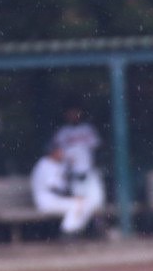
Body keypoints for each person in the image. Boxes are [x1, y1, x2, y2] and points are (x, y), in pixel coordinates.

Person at [31, 138, 102, 239]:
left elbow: (63, 182)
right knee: (77, 205)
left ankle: (72, 231)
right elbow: (55, 189)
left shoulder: (57, 164)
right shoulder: (44, 164)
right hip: (46, 200)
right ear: (53, 152)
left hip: (54, 199)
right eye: (60, 150)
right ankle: (67, 232)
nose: (62, 152)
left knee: (85, 203)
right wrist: (73, 197)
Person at [51, 102, 106, 230]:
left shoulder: (88, 129)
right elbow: (56, 154)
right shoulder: (62, 132)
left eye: (76, 112)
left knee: (97, 201)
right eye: (70, 112)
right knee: (80, 203)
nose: (73, 115)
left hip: (90, 172)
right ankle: (76, 230)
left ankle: (96, 228)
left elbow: (98, 149)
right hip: (73, 175)